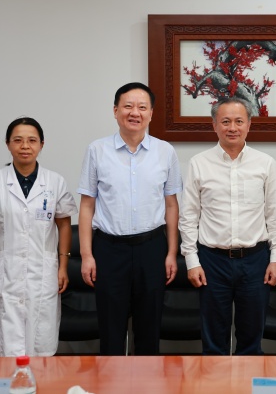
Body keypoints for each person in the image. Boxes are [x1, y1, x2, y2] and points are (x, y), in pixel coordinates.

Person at [78, 82, 182, 355]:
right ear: (115, 111)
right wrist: (87, 255)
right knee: (111, 330)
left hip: (152, 248)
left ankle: (148, 378)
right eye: (128, 106)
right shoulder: (97, 150)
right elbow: (87, 205)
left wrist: (172, 253)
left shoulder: (165, 151)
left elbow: (171, 205)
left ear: (151, 113)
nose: (135, 113)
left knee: (149, 329)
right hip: (109, 249)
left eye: (142, 107)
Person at [179, 97, 276, 355]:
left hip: (255, 260)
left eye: (239, 121)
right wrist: (191, 261)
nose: (232, 128)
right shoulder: (199, 163)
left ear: (249, 125)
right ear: (214, 125)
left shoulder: (265, 163)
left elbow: (273, 214)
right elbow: (189, 216)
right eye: (225, 121)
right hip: (212, 261)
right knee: (214, 341)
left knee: (251, 340)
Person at [0, 117, 77, 356]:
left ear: (42, 144)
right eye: (18, 140)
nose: (25, 146)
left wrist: (63, 266)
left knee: (41, 340)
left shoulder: (55, 182)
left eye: (32, 140)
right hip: (3, 273)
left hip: (43, 272)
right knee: (3, 344)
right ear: (8, 144)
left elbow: (64, 225)